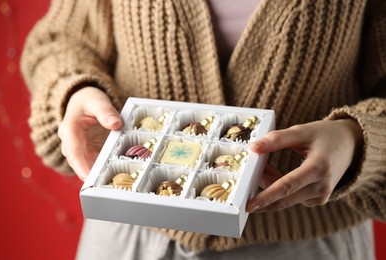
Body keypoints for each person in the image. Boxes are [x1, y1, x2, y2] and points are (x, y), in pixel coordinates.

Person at [21, 0, 385, 259]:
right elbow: (62, 40)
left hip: (305, 241)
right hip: (129, 235)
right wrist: (75, 89)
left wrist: (357, 139)